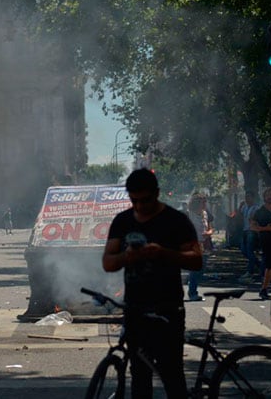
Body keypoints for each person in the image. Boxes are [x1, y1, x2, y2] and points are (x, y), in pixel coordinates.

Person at [102, 168, 202, 399]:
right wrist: (126, 257)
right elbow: (108, 262)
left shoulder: (175, 220)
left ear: (156, 194)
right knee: (139, 377)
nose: (139, 206)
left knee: (172, 375)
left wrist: (162, 253)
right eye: (134, 200)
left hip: (167, 308)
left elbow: (196, 259)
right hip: (135, 308)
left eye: (145, 200)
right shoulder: (122, 221)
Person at [186, 194, 213, 301]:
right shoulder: (189, 215)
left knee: (202, 269)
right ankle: (193, 292)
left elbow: (211, 228)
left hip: (204, 243)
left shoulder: (205, 214)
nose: (205, 204)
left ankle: (192, 283)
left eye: (205, 202)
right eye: (203, 202)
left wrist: (209, 233)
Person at [238, 192, 261, 282]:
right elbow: (240, 216)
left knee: (249, 251)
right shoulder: (245, 207)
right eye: (246, 197)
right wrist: (240, 207)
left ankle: (250, 272)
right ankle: (259, 265)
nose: (247, 199)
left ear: (253, 198)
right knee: (244, 250)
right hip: (245, 230)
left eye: (249, 197)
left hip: (252, 231)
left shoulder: (256, 208)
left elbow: (255, 219)